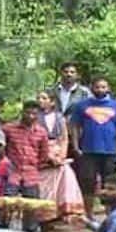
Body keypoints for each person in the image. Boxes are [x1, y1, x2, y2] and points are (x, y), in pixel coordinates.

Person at [70, 76, 116, 221]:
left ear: (108, 88)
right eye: (97, 87)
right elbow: (75, 127)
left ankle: (110, 214)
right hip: (88, 151)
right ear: (91, 88)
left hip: (109, 152)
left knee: (109, 185)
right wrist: (76, 146)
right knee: (87, 183)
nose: (100, 90)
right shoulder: (82, 105)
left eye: (103, 87)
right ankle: (89, 215)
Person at [3, 100, 50, 232]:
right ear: (22, 112)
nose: (31, 116)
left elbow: (44, 155)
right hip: (12, 172)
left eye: (34, 114)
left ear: (38, 115)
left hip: (31, 173)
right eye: (28, 113)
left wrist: (34, 165)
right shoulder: (8, 129)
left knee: (32, 205)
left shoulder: (41, 132)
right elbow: (2, 150)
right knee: (7, 202)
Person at [37, 90, 84, 221]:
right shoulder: (35, 118)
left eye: (44, 98)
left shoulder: (59, 117)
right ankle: (46, 212)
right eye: (39, 98)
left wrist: (61, 155)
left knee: (65, 175)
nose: (40, 100)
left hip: (58, 151)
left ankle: (64, 209)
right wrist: (47, 155)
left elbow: (64, 137)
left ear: (52, 102)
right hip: (42, 152)